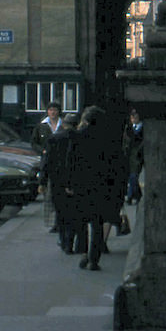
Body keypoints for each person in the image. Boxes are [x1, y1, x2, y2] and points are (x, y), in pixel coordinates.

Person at [66, 105, 120, 271]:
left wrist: (69, 183)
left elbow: (71, 162)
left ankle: (83, 254)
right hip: (101, 186)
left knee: (81, 221)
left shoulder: (77, 136)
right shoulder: (108, 139)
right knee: (97, 223)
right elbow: (114, 165)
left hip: (81, 185)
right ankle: (94, 259)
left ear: (86, 120)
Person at [40, 112, 79, 253]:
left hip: (57, 180)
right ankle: (70, 240)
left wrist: (42, 181)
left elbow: (46, 161)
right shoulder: (81, 138)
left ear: (64, 124)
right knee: (74, 212)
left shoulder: (54, 138)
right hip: (76, 180)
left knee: (61, 212)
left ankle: (63, 239)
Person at [123, 108, 144, 205]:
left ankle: (130, 196)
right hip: (129, 155)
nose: (133, 119)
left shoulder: (143, 128)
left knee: (133, 176)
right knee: (132, 177)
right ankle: (138, 194)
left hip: (137, 156)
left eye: (135, 116)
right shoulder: (128, 128)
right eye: (132, 117)